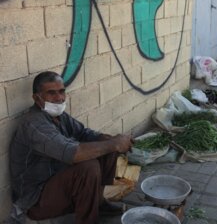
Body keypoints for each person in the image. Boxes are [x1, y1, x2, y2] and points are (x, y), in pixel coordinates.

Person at [9, 71, 134, 224]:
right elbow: (73, 153)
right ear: (37, 98)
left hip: (55, 180)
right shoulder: (33, 124)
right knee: (89, 166)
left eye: (62, 92)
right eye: (51, 93)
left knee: (106, 145)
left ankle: (98, 203)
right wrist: (113, 143)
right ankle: (88, 220)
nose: (59, 98)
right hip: (35, 200)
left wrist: (112, 140)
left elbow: (84, 133)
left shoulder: (59, 117)